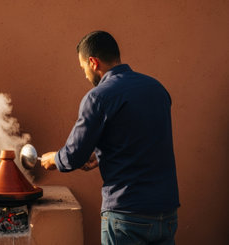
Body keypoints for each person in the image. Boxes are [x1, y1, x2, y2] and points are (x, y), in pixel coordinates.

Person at [41, 31, 180, 245]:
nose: (86, 75)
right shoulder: (157, 89)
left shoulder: (99, 97)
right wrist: (100, 155)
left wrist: (53, 159)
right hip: (166, 212)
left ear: (93, 62)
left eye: (83, 68)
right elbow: (141, 137)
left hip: (127, 214)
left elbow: (74, 155)